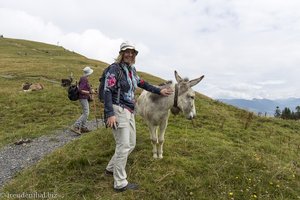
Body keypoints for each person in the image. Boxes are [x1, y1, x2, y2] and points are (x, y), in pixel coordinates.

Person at [103, 41, 173, 192]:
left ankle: (110, 168)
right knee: (123, 145)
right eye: (126, 52)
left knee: (131, 143)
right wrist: (110, 113)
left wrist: (159, 91)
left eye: (132, 52)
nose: (129, 54)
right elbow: (107, 90)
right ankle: (120, 183)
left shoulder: (131, 70)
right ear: (121, 53)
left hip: (129, 110)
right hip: (117, 109)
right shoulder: (114, 69)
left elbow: (142, 83)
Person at [70, 66, 95, 135]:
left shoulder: (84, 78)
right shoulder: (84, 79)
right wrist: (89, 92)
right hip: (83, 97)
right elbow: (80, 90)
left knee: (86, 112)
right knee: (86, 113)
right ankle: (75, 126)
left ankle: (83, 127)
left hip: (84, 97)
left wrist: (90, 89)